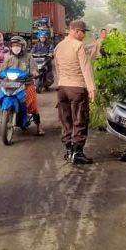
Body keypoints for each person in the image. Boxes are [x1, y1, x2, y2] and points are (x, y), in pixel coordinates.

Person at [53, 20, 96, 164]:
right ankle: (77, 153)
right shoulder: (78, 45)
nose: (84, 36)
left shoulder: (58, 46)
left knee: (65, 120)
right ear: (77, 31)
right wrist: (91, 88)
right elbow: (86, 68)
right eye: (83, 32)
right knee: (80, 120)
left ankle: (68, 150)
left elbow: (57, 69)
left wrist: (61, 83)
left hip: (62, 88)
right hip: (77, 88)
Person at [2, 36, 45, 136]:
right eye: (13, 45)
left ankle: (38, 125)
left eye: (17, 45)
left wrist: (34, 72)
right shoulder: (9, 58)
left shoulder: (29, 56)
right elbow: (2, 69)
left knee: (33, 105)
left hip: (26, 84)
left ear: (23, 46)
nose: (15, 47)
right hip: (11, 84)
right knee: (4, 97)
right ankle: (6, 115)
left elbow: (34, 68)